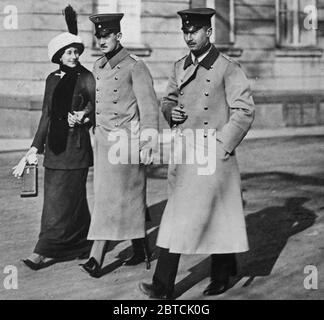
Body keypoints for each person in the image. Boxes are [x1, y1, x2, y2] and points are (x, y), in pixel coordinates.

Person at [139, 8, 255, 299]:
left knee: (215, 215)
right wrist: (171, 113)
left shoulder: (228, 68)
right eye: (185, 32)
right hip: (185, 152)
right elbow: (167, 100)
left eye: (195, 31)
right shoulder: (179, 66)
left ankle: (218, 275)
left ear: (209, 33)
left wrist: (222, 145)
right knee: (177, 216)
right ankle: (166, 285)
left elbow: (244, 111)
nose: (189, 37)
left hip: (212, 154)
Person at [13, 6, 95, 270]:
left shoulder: (86, 77)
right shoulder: (52, 79)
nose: (73, 56)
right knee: (63, 201)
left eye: (76, 52)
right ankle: (82, 244)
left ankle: (43, 250)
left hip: (78, 149)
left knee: (67, 200)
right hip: (55, 151)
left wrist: (84, 115)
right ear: (59, 55)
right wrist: (33, 149)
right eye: (68, 52)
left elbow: (97, 105)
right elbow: (46, 116)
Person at [80, 13, 159, 277]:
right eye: (98, 36)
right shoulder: (98, 66)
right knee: (119, 198)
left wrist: (148, 142)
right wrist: (86, 116)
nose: (101, 40)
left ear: (119, 36)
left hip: (126, 142)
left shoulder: (135, 66)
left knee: (115, 199)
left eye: (107, 35)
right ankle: (141, 248)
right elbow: (96, 101)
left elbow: (149, 107)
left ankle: (96, 257)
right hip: (103, 141)